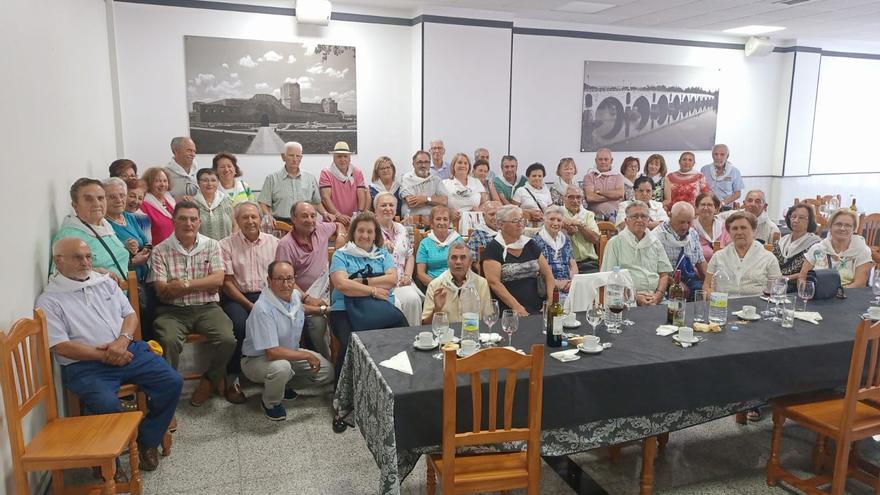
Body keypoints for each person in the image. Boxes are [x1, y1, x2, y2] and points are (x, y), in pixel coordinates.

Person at [37, 237, 182, 472]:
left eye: (88, 257)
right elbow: (61, 346)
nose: (85, 262)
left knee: (172, 382)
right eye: (77, 257)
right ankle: (106, 462)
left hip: (127, 350)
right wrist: (105, 355)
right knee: (105, 403)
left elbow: (130, 315)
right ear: (58, 261)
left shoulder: (104, 282)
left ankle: (147, 441)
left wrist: (122, 341)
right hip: (85, 364)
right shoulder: (50, 299)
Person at [149, 201, 242, 406]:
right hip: (172, 310)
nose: (188, 223)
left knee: (228, 339)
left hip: (207, 307)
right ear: (174, 221)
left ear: (199, 222)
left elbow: (218, 280)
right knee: (169, 341)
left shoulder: (211, 245)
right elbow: (162, 290)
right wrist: (202, 284)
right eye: (182, 218)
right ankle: (167, 395)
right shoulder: (160, 250)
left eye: (193, 219)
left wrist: (182, 285)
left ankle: (209, 380)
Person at [240, 260, 334, 421]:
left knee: (327, 372)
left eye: (290, 278)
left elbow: (300, 309)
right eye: (279, 279)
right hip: (258, 359)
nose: (286, 284)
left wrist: (323, 310)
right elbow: (272, 352)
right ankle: (271, 403)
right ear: (269, 281)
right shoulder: (263, 308)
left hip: (289, 353)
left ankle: (284, 385)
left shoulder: (295, 296)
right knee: (281, 368)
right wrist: (307, 356)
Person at [219, 201, 282, 391]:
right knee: (240, 326)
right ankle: (234, 377)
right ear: (237, 220)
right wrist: (249, 305)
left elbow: (279, 276)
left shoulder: (274, 243)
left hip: (268, 296)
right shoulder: (225, 245)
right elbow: (227, 283)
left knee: (281, 322)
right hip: (237, 297)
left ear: (261, 220)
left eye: (254, 216)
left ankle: (277, 372)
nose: (250, 221)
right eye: (244, 217)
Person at [328, 213, 399, 381]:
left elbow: (392, 279)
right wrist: (374, 290)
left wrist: (363, 282)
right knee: (350, 343)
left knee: (399, 337)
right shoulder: (341, 255)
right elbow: (342, 285)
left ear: (376, 235)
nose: (365, 235)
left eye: (370, 231)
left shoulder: (382, 254)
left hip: (380, 309)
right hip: (344, 310)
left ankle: (393, 386)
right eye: (360, 230)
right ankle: (345, 396)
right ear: (353, 232)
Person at [274, 202, 346, 358]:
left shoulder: (321, 228)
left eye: (313, 216)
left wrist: (340, 236)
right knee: (316, 324)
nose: (310, 220)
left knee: (349, 315)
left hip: (329, 292)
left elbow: (339, 224)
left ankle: (343, 361)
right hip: (302, 298)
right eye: (304, 216)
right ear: (293, 218)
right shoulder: (285, 245)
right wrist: (307, 298)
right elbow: (286, 283)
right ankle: (323, 364)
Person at [53, 178, 131, 283]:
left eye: (100, 198)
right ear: (75, 205)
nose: (96, 204)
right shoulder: (69, 235)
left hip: (119, 295)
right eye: (88, 199)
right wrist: (96, 272)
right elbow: (57, 274)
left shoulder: (105, 225)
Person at [482, 205, 555, 316]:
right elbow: (494, 283)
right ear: (501, 224)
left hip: (538, 306)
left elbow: (548, 275)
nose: (520, 224)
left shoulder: (530, 244)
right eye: (515, 221)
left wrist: (550, 300)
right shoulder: (493, 248)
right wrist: (516, 307)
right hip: (509, 309)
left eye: (521, 220)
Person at [600, 201, 673, 305]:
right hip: (625, 300)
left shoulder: (655, 242)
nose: (639, 220)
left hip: (656, 299)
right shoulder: (615, 243)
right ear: (626, 220)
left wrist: (658, 295)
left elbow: (664, 273)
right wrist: (634, 297)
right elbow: (608, 278)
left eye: (643, 216)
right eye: (635, 216)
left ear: (649, 220)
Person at [375, 192, 425, 326]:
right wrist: (379, 246)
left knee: (413, 299)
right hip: (381, 282)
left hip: (402, 281)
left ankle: (413, 337)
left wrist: (408, 276)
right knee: (395, 303)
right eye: (383, 205)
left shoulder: (401, 228)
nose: (388, 208)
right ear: (375, 209)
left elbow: (409, 255)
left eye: (391, 205)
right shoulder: (371, 230)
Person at [705, 211, 782, 297]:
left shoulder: (768, 258)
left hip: (756, 306)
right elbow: (706, 286)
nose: (739, 232)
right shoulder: (718, 256)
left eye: (743, 228)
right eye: (734, 228)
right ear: (729, 232)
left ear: (754, 231)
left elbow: (777, 289)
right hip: (723, 305)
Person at [799, 208, 872, 289]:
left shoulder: (862, 251)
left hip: (847, 296)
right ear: (830, 226)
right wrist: (806, 291)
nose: (842, 228)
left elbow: (860, 283)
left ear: (854, 229)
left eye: (848, 225)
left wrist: (836, 294)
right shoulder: (817, 249)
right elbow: (802, 277)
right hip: (818, 296)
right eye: (838, 224)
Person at [259, 141, 329, 225]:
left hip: (305, 224)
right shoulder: (272, 179)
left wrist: (325, 214)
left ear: (301, 158)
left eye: (298, 156)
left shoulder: (310, 178)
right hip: (281, 224)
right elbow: (263, 202)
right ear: (283, 157)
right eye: (291, 155)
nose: (295, 159)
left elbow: (316, 203)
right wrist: (268, 216)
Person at [422, 241, 494, 323]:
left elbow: (488, 318)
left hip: (473, 332)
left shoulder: (481, 283)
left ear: (470, 261)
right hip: (446, 334)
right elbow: (425, 324)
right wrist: (436, 309)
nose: (458, 262)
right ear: (448, 261)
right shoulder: (435, 285)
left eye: (463, 257)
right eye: (454, 257)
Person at [653, 202, 708, 294]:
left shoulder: (693, 233)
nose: (685, 226)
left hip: (690, 279)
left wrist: (708, 285)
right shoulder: (656, 237)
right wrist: (675, 284)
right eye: (681, 222)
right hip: (666, 284)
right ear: (670, 216)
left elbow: (701, 262)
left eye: (689, 222)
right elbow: (655, 271)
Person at [104, 178, 152, 284]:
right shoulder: (103, 224)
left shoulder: (129, 217)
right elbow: (107, 259)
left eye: (122, 195)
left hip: (142, 279)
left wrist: (144, 252)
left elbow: (146, 242)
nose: (119, 200)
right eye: (112, 197)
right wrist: (132, 259)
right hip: (122, 282)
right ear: (103, 199)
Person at [320, 141, 368, 226]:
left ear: (350, 158)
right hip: (333, 220)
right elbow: (325, 197)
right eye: (339, 156)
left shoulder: (357, 172)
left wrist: (359, 214)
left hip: (353, 220)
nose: (343, 159)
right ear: (333, 158)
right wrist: (338, 215)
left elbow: (361, 194)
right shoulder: (326, 173)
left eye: (345, 156)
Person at [532, 206, 577, 292]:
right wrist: (555, 283)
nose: (555, 223)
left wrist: (571, 282)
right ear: (544, 220)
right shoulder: (535, 241)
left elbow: (573, 265)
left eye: (559, 220)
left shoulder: (566, 240)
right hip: (547, 286)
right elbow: (536, 271)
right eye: (552, 219)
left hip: (568, 285)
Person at [416, 205, 462, 287]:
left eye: (445, 219)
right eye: (438, 219)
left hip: (456, 284)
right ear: (432, 222)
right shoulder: (424, 243)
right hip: (433, 285)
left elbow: (465, 267)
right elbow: (421, 273)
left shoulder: (458, 241)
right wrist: (437, 285)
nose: (442, 223)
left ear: (449, 222)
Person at [772, 203, 821, 277]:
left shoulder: (816, 245)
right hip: (776, 283)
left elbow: (814, 272)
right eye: (793, 217)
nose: (796, 220)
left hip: (799, 284)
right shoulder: (781, 241)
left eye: (801, 218)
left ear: (810, 221)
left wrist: (785, 279)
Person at [443, 152, 487, 233]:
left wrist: (479, 209)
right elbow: (440, 205)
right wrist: (449, 212)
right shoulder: (445, 183)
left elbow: (485, 203)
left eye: (465, 163)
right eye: (459, 162)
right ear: (453, 166)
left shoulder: (476, 182)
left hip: (475, 225)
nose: (462, 165)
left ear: (469, 167)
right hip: (454, 224)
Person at [561, 185, 600, 271]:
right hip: (564, 264)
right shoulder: (557, 214)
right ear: (563, 198)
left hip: (588, 263)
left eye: (578, 197)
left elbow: (595, 239)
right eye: (571, 197)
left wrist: (578, 224)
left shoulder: (588, 214)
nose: (575, 201)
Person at [399, 150, 448, 217]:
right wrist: (434, 201)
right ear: (413, 164)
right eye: (420, 162)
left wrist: (425, 199)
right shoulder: (407, 178)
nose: (423, 165)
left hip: (432, 220)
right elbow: (412, 203)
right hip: (411, 220)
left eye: (426, 162)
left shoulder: (436, 180)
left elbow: (444, 201)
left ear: (430, 164)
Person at [583, 148, 624, 221]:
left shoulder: (618, 176)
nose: (603, 162)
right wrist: (613, 197)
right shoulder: (589, 176)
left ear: (611, 161)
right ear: (596, 161)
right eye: (600, 159)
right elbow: (590, 197)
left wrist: (599, 192)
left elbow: (620, 194)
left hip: (616, 218)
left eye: (606, 159)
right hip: (595, 219)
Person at [193, 168, 233, 240]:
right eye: (205, 180)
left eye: (213, 180)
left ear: (218, 182)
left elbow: (235, 225)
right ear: (198, 183)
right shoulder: (192, 204)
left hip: (225, 248)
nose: (209, 184)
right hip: (202, 249)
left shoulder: (226, 201)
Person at [701, 144, 744, 210]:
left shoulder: (734, 171)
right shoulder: (704, 169)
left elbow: (737, 193)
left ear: (727, 156)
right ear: (712, 156)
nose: (718, 157)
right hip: (708, 206)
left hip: (726, 207)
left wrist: (723, 203)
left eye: (722, 154)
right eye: (716, 154)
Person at [140, 167, 176, 244]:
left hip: (175, 248)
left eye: (165, 181)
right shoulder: (143, 205)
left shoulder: (171, 201)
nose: (162, 184)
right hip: (157, 250)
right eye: (157, 181)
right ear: (149, 183)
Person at [694, 192, 731, 262]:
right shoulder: (691, 229)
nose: (705, 208)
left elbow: (731, 251)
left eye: (710, 205)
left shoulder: (724, 228)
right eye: (702, 205)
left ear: (716, 209)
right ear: (696, 208)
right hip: (698, 271)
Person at [165, 136, 198, 201]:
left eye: (194, 151)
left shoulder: (199, 173)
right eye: (189, 150)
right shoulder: (165, 174)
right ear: (176, 151)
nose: (193, 154)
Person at [124, 178, 152, 244]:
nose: (136, 201)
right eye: (132, 196)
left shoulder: (144, 218)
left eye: (140, 198)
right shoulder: (114, 217)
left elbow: (148, 243)